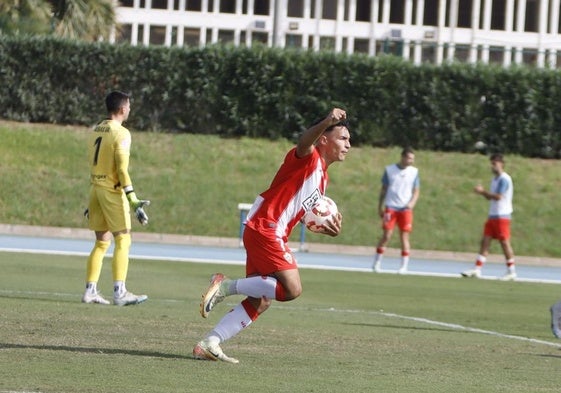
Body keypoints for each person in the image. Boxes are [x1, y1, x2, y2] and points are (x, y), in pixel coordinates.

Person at [192, 108, 350, 363]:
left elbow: (307, 214)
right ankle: (224, 286)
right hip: (267, 227)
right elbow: (304, 141)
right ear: (324, 138)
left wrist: (327, 226)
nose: (348, 145)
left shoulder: (322, 179)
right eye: (343, 138)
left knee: (262, 299)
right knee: (292, 289)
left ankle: (210, 342)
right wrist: (327, 121)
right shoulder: (309, 157)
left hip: (268, 230)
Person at [81, 90, 150, 306]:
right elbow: (122, 169)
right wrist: (133, 199)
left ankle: (90, 290)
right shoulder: (122, 133)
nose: (130, 109)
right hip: (111, 191)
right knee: (123, 239)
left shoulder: (96, 129)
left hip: (95, 189)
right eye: (129, 106)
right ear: (122, 109)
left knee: (102, 242)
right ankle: (120, 292)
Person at [461, 153, 516, 280]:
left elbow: (498, 197)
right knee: (485, 241)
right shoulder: (494, 180)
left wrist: (483, 192)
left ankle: (511, 271)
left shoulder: (504, 179)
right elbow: (489, 197)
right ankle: (477, 269)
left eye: (495, 164)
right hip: (493, 215)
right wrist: (482, 193)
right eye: (491, 164)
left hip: (502, 215)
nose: (492, 166)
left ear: (501, 164)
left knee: (504, 243)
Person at [372, 147, 420, 274]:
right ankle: (377, 262)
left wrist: (412, 203)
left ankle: (404, 266)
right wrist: (380, 206)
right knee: (386, 235)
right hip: (391, 206)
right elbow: (384, 189)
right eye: (409, 158)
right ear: (403, 157)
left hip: (405, 208)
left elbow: (416, 190)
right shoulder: (390, 170)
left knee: (404, 237)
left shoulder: (414, 172)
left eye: (412, 159)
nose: (411, 161)